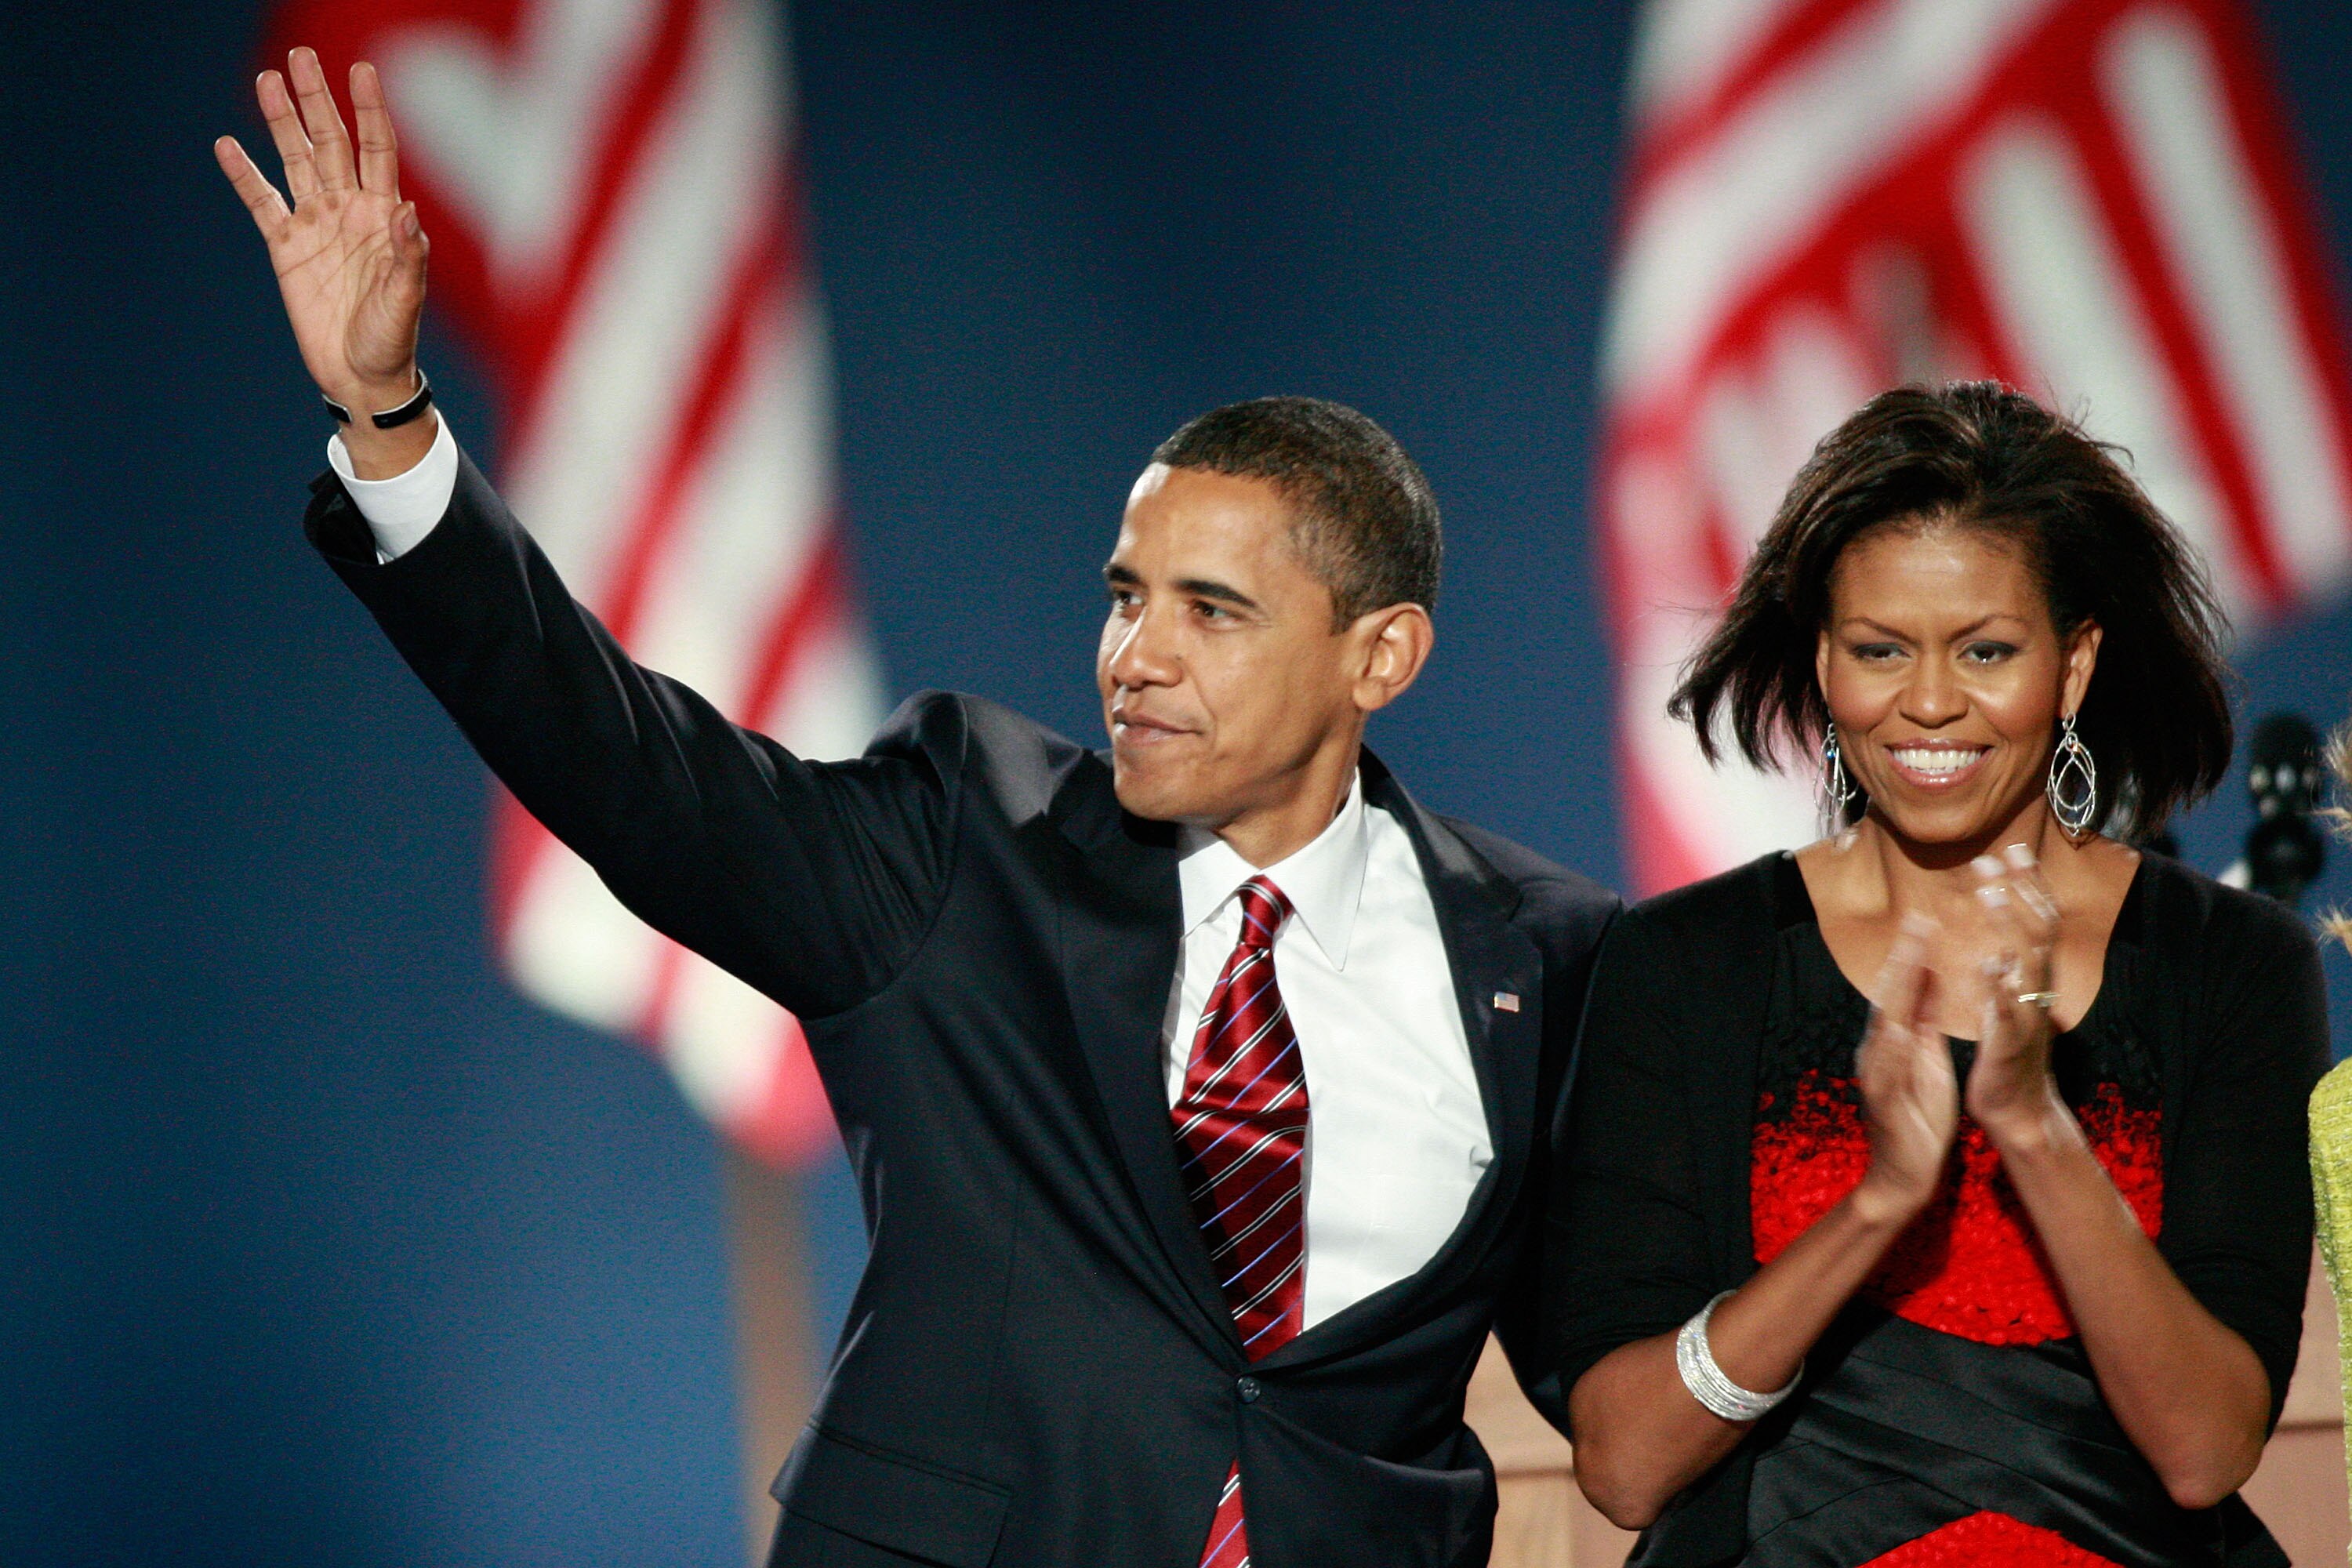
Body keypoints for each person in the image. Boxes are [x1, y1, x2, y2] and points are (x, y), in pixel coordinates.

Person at [214, 49, 1618, 1568]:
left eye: (1210, 610)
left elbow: (1615, 1375)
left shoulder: (1544, 954)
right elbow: (628, 768)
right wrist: (390, 419)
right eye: (1126, 597)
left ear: (1380, 657)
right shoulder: (964, 843)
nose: (1136, 657)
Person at [1547, 382, 2330, 1567]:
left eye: (1986, 651)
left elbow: (2205, 1450)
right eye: (1880, 651)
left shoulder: (2228, 964)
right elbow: (1625, 1465)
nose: (1926, 702)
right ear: (1824, 661)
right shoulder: (1686, 963)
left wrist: (2035, 1130)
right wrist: (1874, 1205)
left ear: (2073, 666)